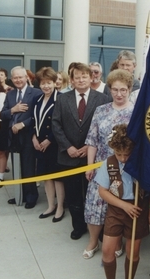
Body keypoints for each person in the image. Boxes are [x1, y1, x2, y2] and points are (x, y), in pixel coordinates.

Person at [52, 62, 112, 240]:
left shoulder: (102, 99)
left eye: (84, 76)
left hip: (92, 157)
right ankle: (78, 226)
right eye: (76, 77)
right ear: (71, 80)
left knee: (94, 196)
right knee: (73, 196)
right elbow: (56, 124)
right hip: (68, 156)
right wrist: (68, 147)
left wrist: (89, 146)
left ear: (91, 77)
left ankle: (97, 229)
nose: (80, 80)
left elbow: (105, 127)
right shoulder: (62, 99)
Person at [83, 69, 134, 259]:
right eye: (115, 89)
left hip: (125, 168)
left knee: (121, 204)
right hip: (101, 165)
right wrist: (89, 165)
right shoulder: (101, 110)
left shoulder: (136, 112)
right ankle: (93, 241)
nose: (119, 94)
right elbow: (92, 140)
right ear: (110, 89)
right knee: (95, 204)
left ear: (129, 90)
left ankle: (117, 239)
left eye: (123, 90)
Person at [97, 124, 150, 279]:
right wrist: (123, 206)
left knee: (133, 252)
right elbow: (103, 191)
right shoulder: (109, 163)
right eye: (119, 154)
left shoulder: (141, 163)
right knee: (107, 251)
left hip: (137, 209)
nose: (123, 158)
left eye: (127, 154)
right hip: (116, 209)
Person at [1, 66, 42, 208]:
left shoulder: (36, 93)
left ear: (27, 78)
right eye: (15, 78)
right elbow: (3, 114)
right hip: (13, 136)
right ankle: (20, 194)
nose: (18, 80)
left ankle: (31, 196)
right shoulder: (10, 95)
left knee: (28, 167)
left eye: (20, 77)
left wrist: (23, 124)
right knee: (16, 167)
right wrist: (13, 110)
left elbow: (38, 116)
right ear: (11, 79)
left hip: (29, 135)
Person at [30, 67, 65, 222]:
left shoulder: (61, 99)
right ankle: (51, 205)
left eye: (49, 83)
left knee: (57, 177)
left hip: (55, 144)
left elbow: (62, 124)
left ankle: (60, 207)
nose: (46, 86)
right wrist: (33, 138)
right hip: (39, 143)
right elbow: (33, 120)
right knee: (46, 177)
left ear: (55, 83)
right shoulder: (36, 100)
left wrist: (49, 140)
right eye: (43, 83)